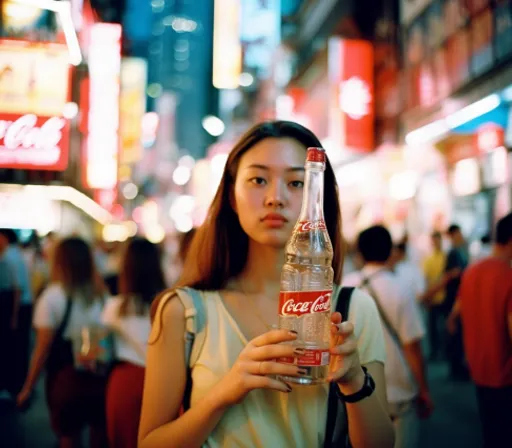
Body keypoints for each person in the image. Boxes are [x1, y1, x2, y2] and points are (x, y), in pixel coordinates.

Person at [138, 121, 394, 448]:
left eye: (296, 182)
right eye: (258, 180)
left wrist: (354, 380)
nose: (275, 197)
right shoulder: (183, 312)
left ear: (319, 194)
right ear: (231, 195)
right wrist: (226, 390)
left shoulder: (351, 310)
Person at [344, 225, 432, 448]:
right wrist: (424, 389)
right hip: (400, 389)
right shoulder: (401, 288)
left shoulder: (347, 286)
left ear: (360, 253)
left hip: (359, 387)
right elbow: (412, 345)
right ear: (390, 251)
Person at [17, 237, 110, 448]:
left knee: (68, 436)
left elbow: (42, 349)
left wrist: (28, 387)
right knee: (99, 435)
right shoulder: (101, 295)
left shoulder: (53, 297)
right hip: (100, 375)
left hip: (66, 377)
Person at [447, 213, 512, 448]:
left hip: (478, 368)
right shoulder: (508, 276)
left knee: (491, 432)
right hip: (505, 374)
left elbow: (455, 314)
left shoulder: (472, 271)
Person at [102, 237, 167, 448]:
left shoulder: (114, 308)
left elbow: (100, 347)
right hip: (165, 382)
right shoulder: (170, 304)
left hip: (126, 380)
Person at [444, 224, 469, 380]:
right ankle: (456, 368)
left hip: (458, 297)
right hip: (454, 298)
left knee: (458, 334)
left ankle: (458, 366)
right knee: (455, 333)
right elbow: (450, 274)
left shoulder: (458, 251)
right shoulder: (454, 252)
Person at [421, 232, 448, 360]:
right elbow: (425, 279)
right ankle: (435, 351)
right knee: (432, 327)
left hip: (444, 298)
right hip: (433, 298)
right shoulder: (428, 259)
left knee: (443, 326)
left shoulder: (446, 257)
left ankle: (443, 350)